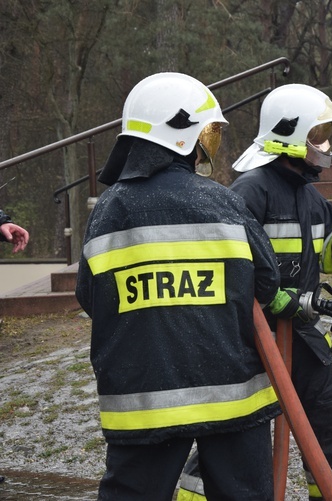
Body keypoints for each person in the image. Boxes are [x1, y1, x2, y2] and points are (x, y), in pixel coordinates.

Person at [75, 72, 281, 501]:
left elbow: (90, 297)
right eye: (209, 132)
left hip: (140, 399)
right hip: (232, 396)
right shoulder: (222, 201)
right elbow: (266, 283)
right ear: (184, 133)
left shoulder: (108, 209)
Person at [180, 84, 332, 501]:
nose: (324, 145)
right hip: (253, 341)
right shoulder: (250, 191)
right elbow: (229, 263)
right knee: (235, 431)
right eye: (317, 134)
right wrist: (269, 298)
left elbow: (325, 260)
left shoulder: (311, 196)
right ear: (289, 133)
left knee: (327, 424)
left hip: (304, 338)